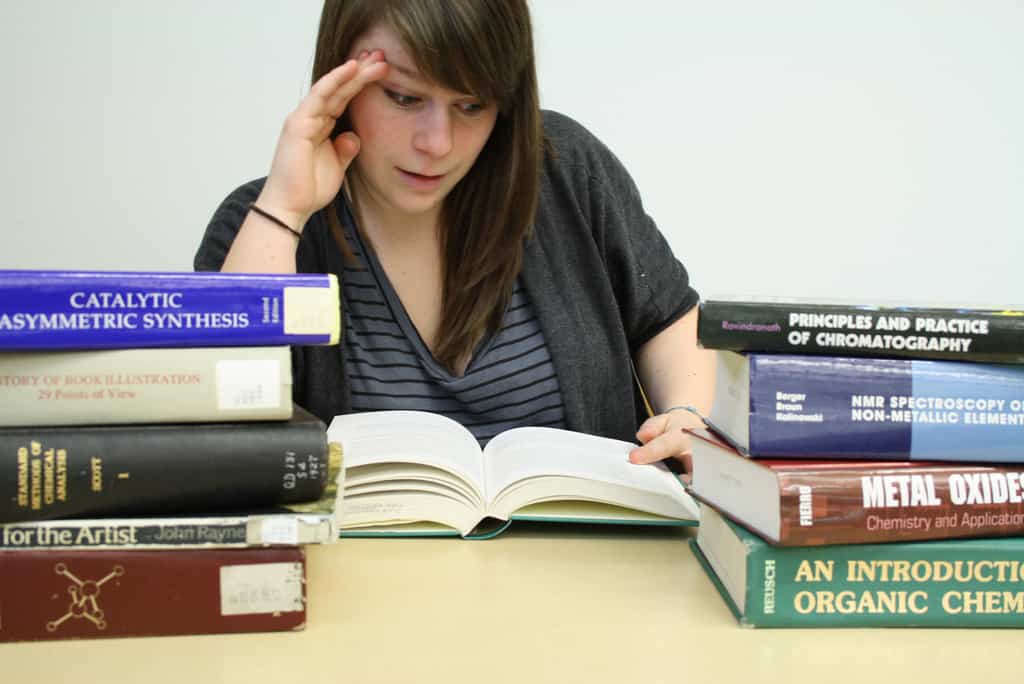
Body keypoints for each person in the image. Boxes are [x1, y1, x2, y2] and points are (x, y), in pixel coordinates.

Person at [194, 0, 714, 468]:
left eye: (471, 105)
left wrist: (689, 415)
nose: (437, 143)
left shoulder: (565, 169)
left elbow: (666, 316)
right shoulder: (260, 223)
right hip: (361, 569)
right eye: (403, 97)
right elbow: (227, 434)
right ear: (339, 79)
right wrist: (285, 210)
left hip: (588, 561)